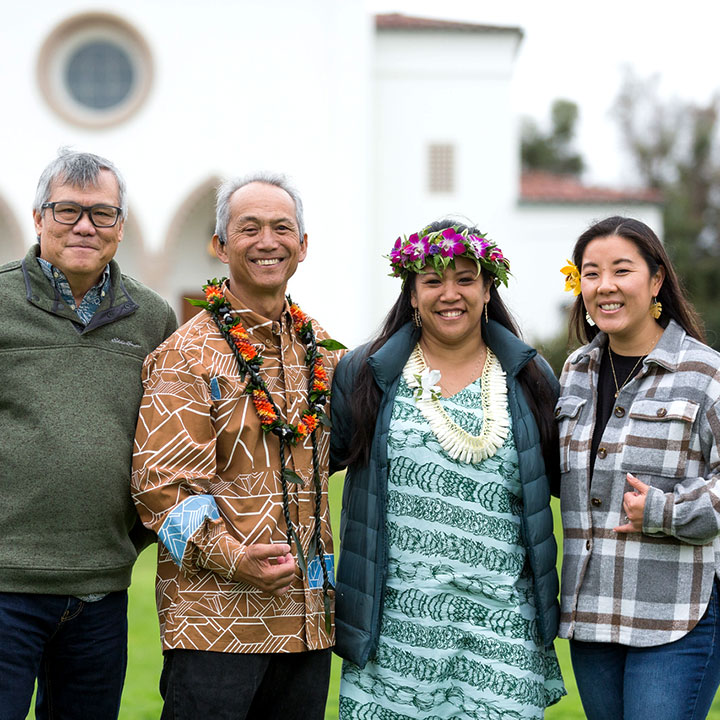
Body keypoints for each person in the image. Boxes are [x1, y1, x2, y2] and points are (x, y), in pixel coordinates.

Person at [330, 220, 566, 719]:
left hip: (502, 628)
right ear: (411, 294)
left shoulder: (529, 377)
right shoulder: (365, 373)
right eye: (433, 281)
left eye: (464, 278)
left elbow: (571, 482)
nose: (449, 293)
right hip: (393, 628)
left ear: (487, 288)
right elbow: (307, 468)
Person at [132, 172, 343, 720]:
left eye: (282, 227)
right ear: (220, 245)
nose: (267, 241)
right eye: (248, 228)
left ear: (303, 245)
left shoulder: (319, 348)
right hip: (215, 625)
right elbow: (161, 488)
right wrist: (233, 558)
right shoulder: (188, 354)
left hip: (306, 623)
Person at [0, 149, 178, 720]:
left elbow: (167, 438)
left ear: (121, 227)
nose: (84, 226)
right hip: (5, 585)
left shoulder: (152, 320)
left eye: (102, 214)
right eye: (67, 210)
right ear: (38, 218)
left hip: (101, 588)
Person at [557, 216, 720, 720]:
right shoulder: (575, 371)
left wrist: (664, 512)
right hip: (593, 617)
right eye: (591, 273)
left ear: (655, 281)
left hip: (677, 615)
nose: (604, 286)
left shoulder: (705, 373)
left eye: (621, 270)